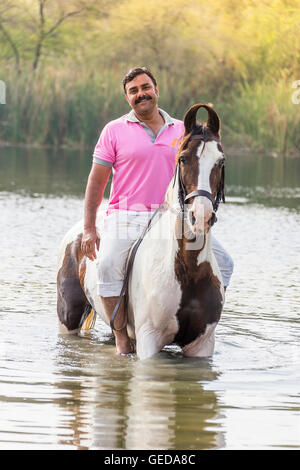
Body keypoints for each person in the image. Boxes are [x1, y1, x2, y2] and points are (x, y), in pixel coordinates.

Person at [81, 67, 233, 354]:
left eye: (145, 87)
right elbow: (96, 181)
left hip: (171, 216)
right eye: (133, 91)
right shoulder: (113, 130)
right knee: (108, 263)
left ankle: (202, 324)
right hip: (127, 214)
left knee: (225, 263)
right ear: (127, 98)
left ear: (156, 89)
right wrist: (90, 228)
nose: (141, 94)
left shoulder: (181, 131)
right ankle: (122, 337)